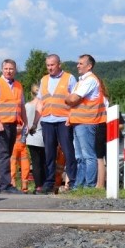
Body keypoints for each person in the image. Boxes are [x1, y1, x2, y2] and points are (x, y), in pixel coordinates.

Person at [29, 54, 77, 194]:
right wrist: (35, 123)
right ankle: (49, 183)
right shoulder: (44, 80)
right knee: (49, 154)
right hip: (47, 121)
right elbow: (40, 103)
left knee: (68, 152)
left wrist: (71, 117)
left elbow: (75, 99)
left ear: (59, 64)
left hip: (63, 120)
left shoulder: (69, 78)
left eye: (52, 65)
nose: (50, 68)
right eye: (48, 65)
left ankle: (72, 181)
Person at [65, 54, 105, 190]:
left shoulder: (90, 80)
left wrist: (68, 99)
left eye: (81, 63)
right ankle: (79, 185)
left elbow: (73, 99)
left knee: (88, 156)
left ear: (89, 66)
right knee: (80, 157)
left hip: (87, 122)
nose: (78, 65)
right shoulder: (81, 81)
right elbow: (72, 99)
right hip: (79, 122)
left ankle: (89, 185)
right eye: (78, 63)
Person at [0, 59, 28, 194]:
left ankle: (3, 185)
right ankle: (5, 185)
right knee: (3, 154)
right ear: (2, 69)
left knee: (8, 154)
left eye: (11, 69)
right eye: (6, 69)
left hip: (12, 124)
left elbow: (21, 106)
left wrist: (25, 122)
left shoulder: (18, 85)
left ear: (15, 70)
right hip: (0, 124)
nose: (8, 71)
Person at [25, 83, 46, 194]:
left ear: (31, 93)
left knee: (36, 163)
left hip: (31, 137)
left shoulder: (27, 106)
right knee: (45, 162)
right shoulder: (44, 104)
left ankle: (38, 186)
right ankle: (46, 183)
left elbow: (25, 122)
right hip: (44, 136)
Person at [10, 122, 30, 192]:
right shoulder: (14, 119)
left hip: (23, 146)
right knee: (12, 167)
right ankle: (13, 186)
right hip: (14, 146)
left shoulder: (24, 119)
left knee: (26, 167)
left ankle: (24, 188)